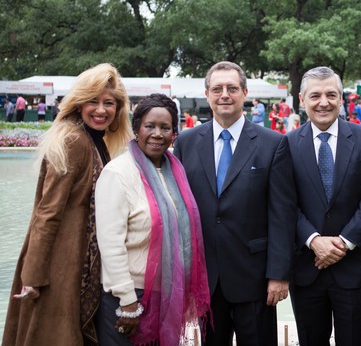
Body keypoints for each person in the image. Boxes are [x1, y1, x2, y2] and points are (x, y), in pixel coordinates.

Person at [2, 63, 131, 346]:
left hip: (77, 265)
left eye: (108, 103)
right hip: (61, 267)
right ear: (78, 104)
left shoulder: (94, 140)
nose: (101, 110)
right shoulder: (74, 141)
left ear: (118, 109)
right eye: (93, 101)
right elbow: (47, 213)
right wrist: (33, 276)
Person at [172, 61, 296, 346]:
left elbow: (282, 214)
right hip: (207, 277)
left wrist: (278, 274)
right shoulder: (187, 143)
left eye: (232, 88)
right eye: (217, 89)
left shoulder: (273, 143)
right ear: (207, 94)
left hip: (255, 277)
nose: (224, 94)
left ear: (245, 92)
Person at [95, 93, 210, 345]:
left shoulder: (175, 171)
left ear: (174, 134)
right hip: (128, 297)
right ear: (136, 129)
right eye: (150, 126)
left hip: (166, 294)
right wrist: (128, 301)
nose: (157, 134)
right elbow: (110, 244)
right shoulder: (117, 173)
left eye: (165, 128)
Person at [286, 66, 361, 345]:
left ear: (342, 99)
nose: (324, 102)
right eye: (315, 95)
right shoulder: (288, 144)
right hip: (306, 265)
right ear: (302, 100)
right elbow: (285, 201)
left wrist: (343, 243)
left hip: (352, 264)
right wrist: (314, 240)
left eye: (331, 94)